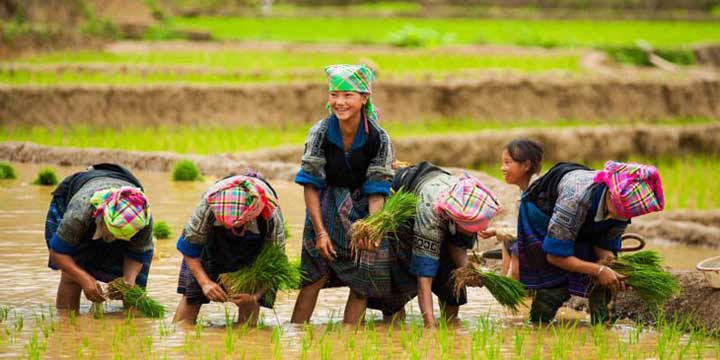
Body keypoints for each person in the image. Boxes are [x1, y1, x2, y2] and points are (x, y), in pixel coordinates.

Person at [290, 64, 395, 324]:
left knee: (362, 281)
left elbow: (376, 189)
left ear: (364, 98)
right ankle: (296, 333)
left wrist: (373, 229)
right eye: (334, 94)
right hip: (324, 206)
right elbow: (311, 184)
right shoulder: (320, 133)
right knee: (313, 277)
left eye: (348, 95)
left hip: (363, 208)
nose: (340, 102)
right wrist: (321, 232)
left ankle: (348, 339)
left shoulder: (378, 138)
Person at [515, 160, 664, 324]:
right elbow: (555, 256)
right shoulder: (574, 200)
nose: (621, 218)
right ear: (609, 194)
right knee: (556, 284)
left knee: (604, 283)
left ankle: (603, 326)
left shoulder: (621, 208)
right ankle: (539, 324)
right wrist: (598, 270)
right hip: (544, 215)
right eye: (619, 212)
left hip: (581, 219)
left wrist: (610, 267)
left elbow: (604, 246)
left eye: (625, 215)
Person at [368, 161, 501, 327]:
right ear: (454, 220)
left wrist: (468, 270)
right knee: (398, 279)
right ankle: (392, 323)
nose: (471, 232)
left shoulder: (469, 204)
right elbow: (424, 279)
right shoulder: (430, 215)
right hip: (406, 215)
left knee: (452, 278)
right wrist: (431, 331)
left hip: (436, 199)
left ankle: (451, 324)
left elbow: (457, 244)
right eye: (468, 229)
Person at [173, 172, 286, 325]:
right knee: (190, 299)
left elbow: (276, 265)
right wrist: (205, 282)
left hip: (254, 250)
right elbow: (189, 247)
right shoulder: (208, 206)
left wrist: (255, 297)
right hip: (211, 245)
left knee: (248, 313)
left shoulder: (270, 215)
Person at [44, 163, 153, 312]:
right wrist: (84, 278)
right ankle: (66, 323)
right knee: (72, 275)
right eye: (114, 233)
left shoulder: (143, 218)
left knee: (134, 289)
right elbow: (58, 253)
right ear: (103, 220)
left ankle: (132, 326)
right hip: (79, 198)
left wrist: (129, 282)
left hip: (122, 189)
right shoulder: (80, 213)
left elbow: (138, 253)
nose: (117, 240)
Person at [480, 139, 544, 280]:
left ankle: (513, 282)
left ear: (526, 165)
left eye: (508, 163)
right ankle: (505, 281)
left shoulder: (537, 193)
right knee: (508, 241)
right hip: (532, 241)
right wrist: (498, 232)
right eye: (503, 163)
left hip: (543, 244)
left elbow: (530, 233)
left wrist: (498, 232)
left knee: (516, 247)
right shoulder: (523, 192)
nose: (502, 168)